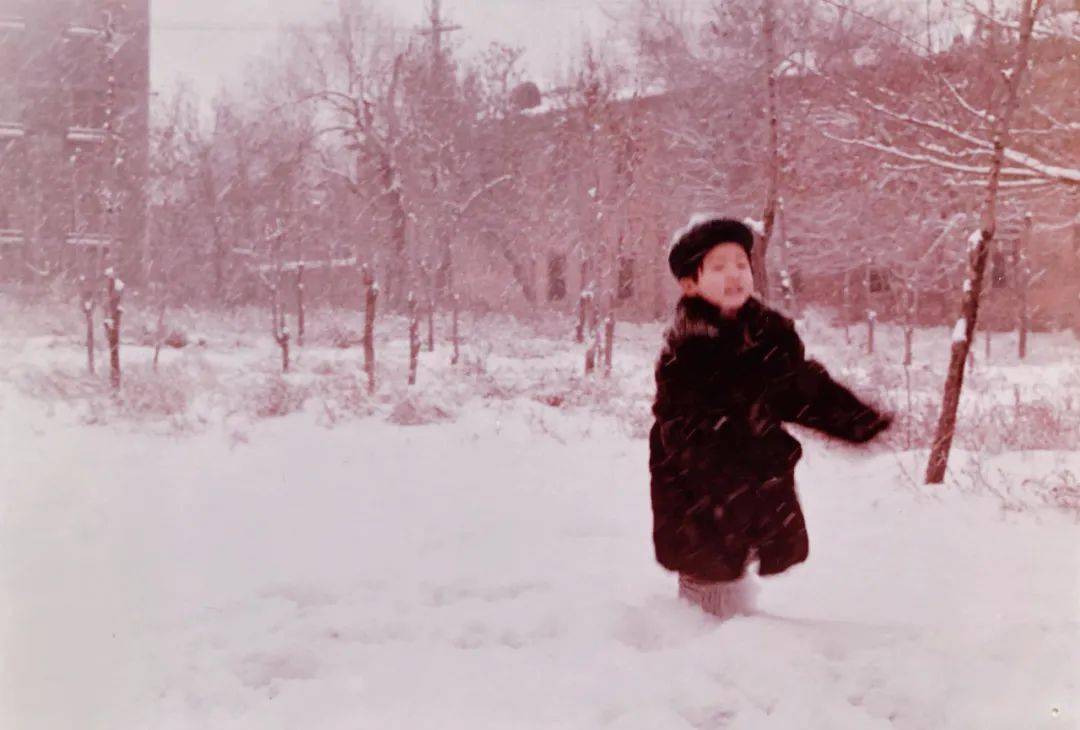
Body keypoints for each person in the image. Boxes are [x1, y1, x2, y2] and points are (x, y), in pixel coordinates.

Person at [649, 216, 892, 618]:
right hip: (699, 491)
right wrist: (728, 457)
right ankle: (697, 650)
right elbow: (681, 426)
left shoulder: (765, 335)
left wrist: (852, 418)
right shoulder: (688, 348)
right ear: (690, 283)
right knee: (708, 576)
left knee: (736, 564)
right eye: (718, 267)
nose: (734, 275)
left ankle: (737, 639)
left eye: (741, 265)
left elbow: (799, 388)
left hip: (750, 484)